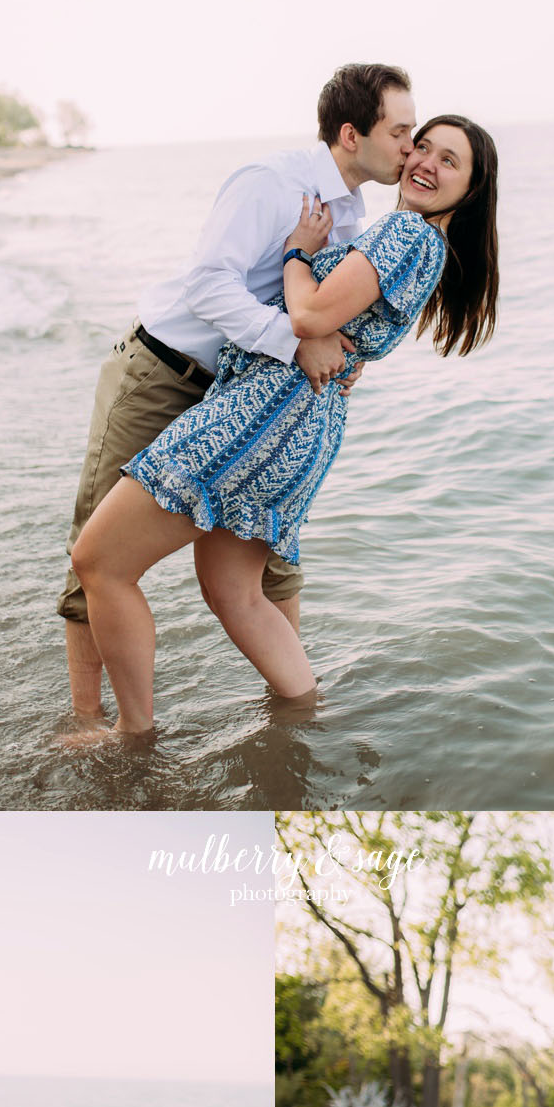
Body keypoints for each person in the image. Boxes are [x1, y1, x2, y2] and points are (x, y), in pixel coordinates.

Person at [69, 113, 500, 738]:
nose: (424, 160)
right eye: (421, 145)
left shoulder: (408, 233)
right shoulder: (418, 240)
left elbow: (310, 315)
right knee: (233, 590)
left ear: (472, 188)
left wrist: (298, 252)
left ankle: (132, 735)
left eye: (448, 160)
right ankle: (305, 714)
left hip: (258, 416)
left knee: (100, 562)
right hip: (301, 424)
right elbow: (346, 327)